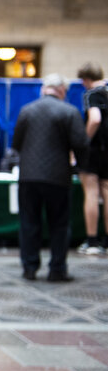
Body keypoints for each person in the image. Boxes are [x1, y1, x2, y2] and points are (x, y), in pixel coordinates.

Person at [13, 74, 89, 282]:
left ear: (44, 89)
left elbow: (17, 143)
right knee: (59, 225)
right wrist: (81, 167)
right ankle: (57, 269)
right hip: (57, 176)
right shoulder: (69, 111)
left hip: (28, 176)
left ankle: (29, 268)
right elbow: (81, 144)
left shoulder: (27, 110)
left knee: (29, 223)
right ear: (62, 90)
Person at [76, 62, 108, 255]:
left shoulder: (91, 94)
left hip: (94, 150)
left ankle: (92, 241)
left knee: (91, 192)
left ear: (85, 79)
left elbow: (94, 118)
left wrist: (84, 141)